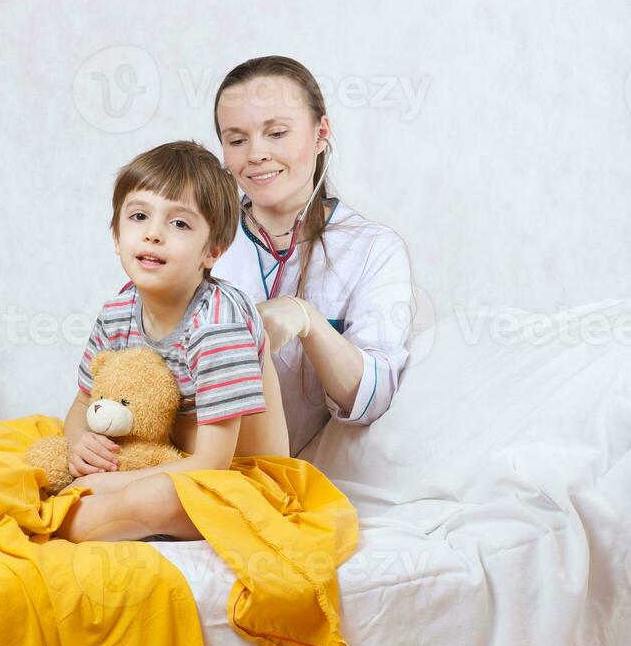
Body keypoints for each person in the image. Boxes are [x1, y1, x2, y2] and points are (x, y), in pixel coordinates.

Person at [54, 140, 289, 543]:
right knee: (35, 443)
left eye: (179, 224)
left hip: (242, 478)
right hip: (165, 457)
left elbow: (213, 462)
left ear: (212, 250)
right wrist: (82, 447)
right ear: (116, 235)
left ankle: (70, 522)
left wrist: (107, 485)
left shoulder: (218, 323)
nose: (153, 234)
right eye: (139, 216)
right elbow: (80, 406)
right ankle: (95, 508)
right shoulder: (117, 312)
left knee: (158, 496)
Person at [212, 55, 413, 457]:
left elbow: (372, 400)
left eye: (277, 133)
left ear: (321, 133)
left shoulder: (372, 248)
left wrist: (306, 319)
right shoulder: (198, 237)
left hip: (294, 478)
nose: (256, 154)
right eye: (237, 140)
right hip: (195, 463)